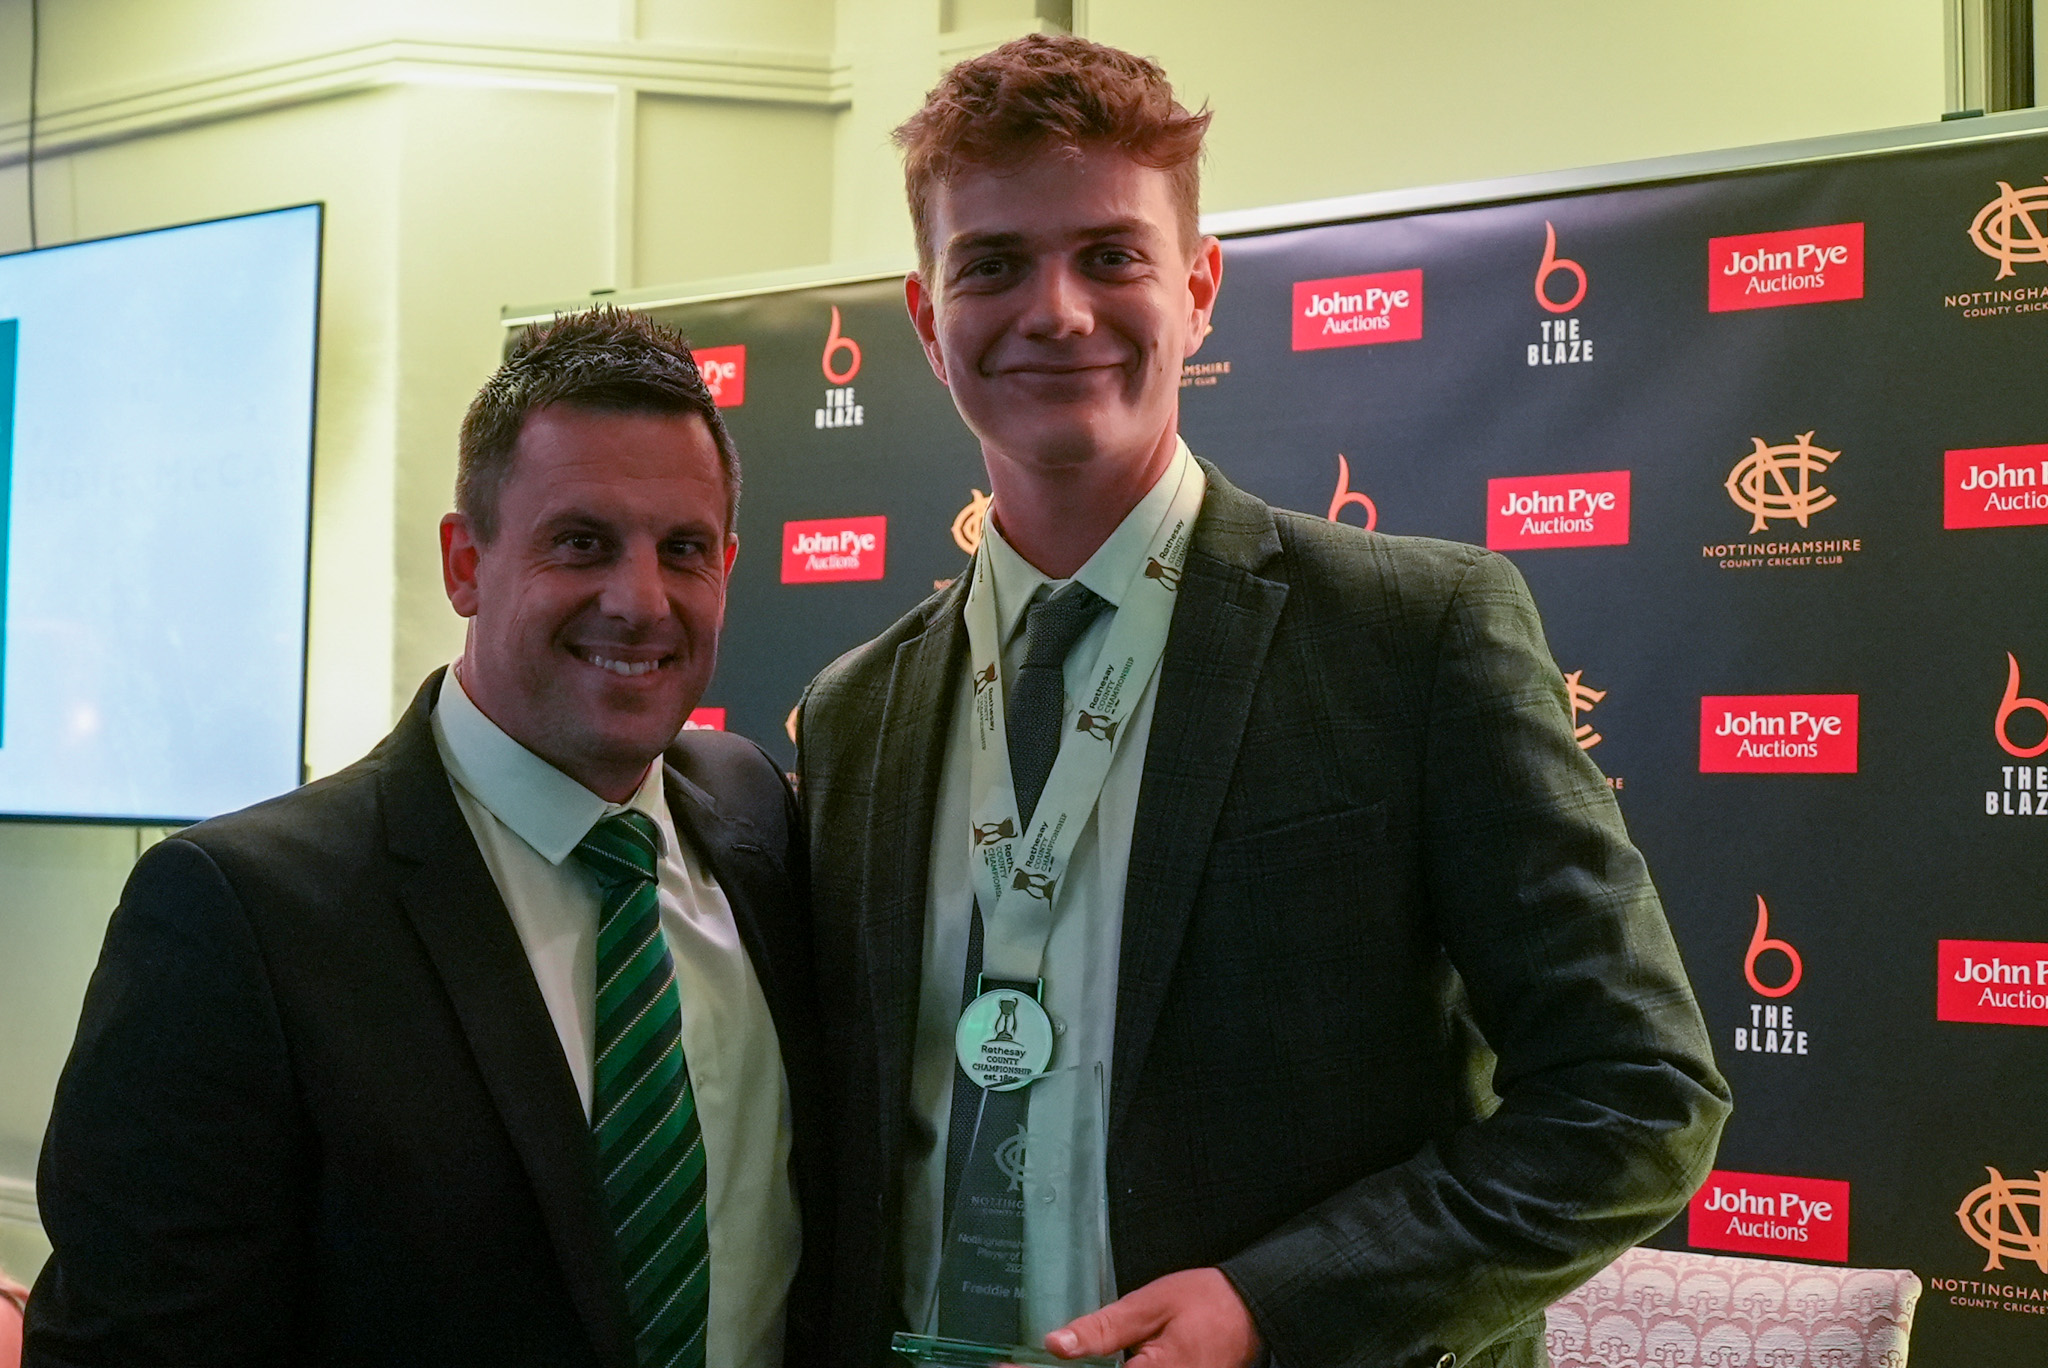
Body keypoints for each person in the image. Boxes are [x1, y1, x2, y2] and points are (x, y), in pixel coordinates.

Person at [795, 35, 1730, 1368]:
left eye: (1109, 255)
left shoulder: (1411, 636)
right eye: (991, 264)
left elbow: (1635, 1096)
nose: (1056, 311)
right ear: (925, 320)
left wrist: (1275, 1307)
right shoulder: (855, 713)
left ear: (1198, 288)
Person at [27, 308, 825, 1368]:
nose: (640, 601)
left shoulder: (757, 817)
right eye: (581, 543)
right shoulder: (238, 917)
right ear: (464, 563)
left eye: (682, 550)